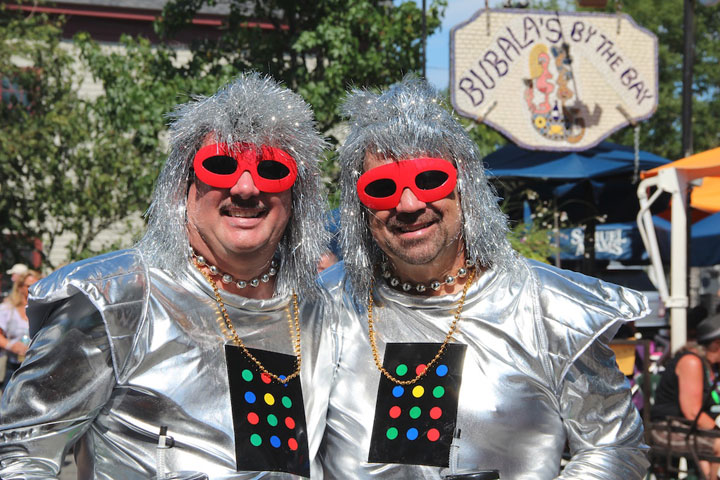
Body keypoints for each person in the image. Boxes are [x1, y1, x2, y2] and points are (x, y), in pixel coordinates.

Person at [0, 73, 332, 479]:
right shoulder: (114, 298)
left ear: (299, 195)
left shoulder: (320, 311)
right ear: (183, 186)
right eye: (221, 165)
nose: (246, 188)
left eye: (272, 170)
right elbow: (19, 455)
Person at [318, 76, 649, 479]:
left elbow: (614, 446)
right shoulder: (322, 304)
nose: (408, 204)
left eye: (428, 180)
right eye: (382, 187)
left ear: (466, 186)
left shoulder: (547, 306)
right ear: (360, 206)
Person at [651, 313, 720, 479]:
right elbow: (692, 413)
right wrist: (718, 430)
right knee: (718, 443)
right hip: (669, 428)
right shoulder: (691, 362)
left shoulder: (711, 366)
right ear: (717, 343)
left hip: (692, 429)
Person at [0, 269, 41, 387]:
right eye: (29, 286)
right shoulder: (7, 309)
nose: (34, 289)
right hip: (14, 365)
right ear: (20, 287)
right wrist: (11, 345)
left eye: (37, 285)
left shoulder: (43, 309)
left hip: (36, 366)